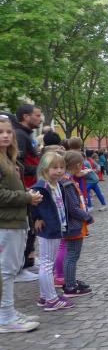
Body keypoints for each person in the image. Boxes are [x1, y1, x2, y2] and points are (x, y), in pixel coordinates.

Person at [0, 115, 43, 333]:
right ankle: (5, 318)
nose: (6, 135)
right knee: (6, 272)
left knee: (11, 269)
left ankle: (8, 311)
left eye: (8, 131)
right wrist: (26, 197)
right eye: (0, 132)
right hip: (5, 223)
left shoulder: (8, 158)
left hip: (15, 220)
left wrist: (26, 195)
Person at [31, 152, 75, 311]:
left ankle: (45, 295)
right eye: (54, 167)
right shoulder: (41, 186)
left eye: (62, 167)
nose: (59, 170)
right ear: (45, 169)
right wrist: (36, 218)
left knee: (47, 262)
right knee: (47, 264)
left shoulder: (57, 184)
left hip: (57, 226)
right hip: (48, 229)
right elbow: (32, 204)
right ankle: (51, 299)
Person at [14, 104, 42, 279]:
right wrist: (40, 169)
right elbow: (19, 163)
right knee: (29, 227)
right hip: (26, 187)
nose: (40, 118)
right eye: (37, 115)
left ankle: (28, 260)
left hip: (32, 186)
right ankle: (21, 266)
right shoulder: (19, 134)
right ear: (26, 116)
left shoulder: (27, 134)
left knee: (32, 226)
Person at [61, 151, 93, 297]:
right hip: (73, 224)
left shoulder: (66, 179)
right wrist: (87, 217)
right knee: (72, 255)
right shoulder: (67, 183)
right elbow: (73, 208)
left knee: (71, 254)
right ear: (78, 165)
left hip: (73, 223)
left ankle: (70, 280)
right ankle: (70, 286)